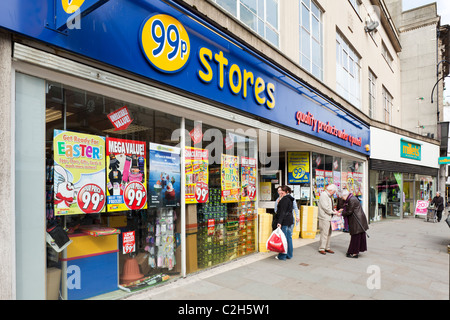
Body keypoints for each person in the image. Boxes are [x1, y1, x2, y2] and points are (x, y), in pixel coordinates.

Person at [341, 189, 369, 258]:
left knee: (355, 237)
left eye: (342, 197)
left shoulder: (351, 199)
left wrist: (342, 213)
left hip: (356, 221)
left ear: (345, 195)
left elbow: (349, 211)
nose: (342, 198)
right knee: (358, 236)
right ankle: (356, 251)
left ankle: (354, 253)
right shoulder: (352, 198)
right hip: (359, 219)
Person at [273, 185, 294, 261]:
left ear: (286, 192)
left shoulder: (284, 200)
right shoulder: (290, 198)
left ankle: (282, 256)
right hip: (289, 220)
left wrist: (279, 222)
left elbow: (282, 212)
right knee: (288, 238)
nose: (280, 192)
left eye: (282, 191)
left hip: (284, 221)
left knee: (283, 239)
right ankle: (289, 254)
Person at [318, 184, 339, 255]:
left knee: (329, 233)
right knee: (324, 233)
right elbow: (325, 207)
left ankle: (327, 247)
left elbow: (329, 206)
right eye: (334, 191)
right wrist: (333, 212)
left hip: (329, 217)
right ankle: (322, 248)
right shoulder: (324, 195)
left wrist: (334, 211)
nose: (334, 193)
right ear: (331, 190)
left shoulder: (329, 196)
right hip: (324, 217)